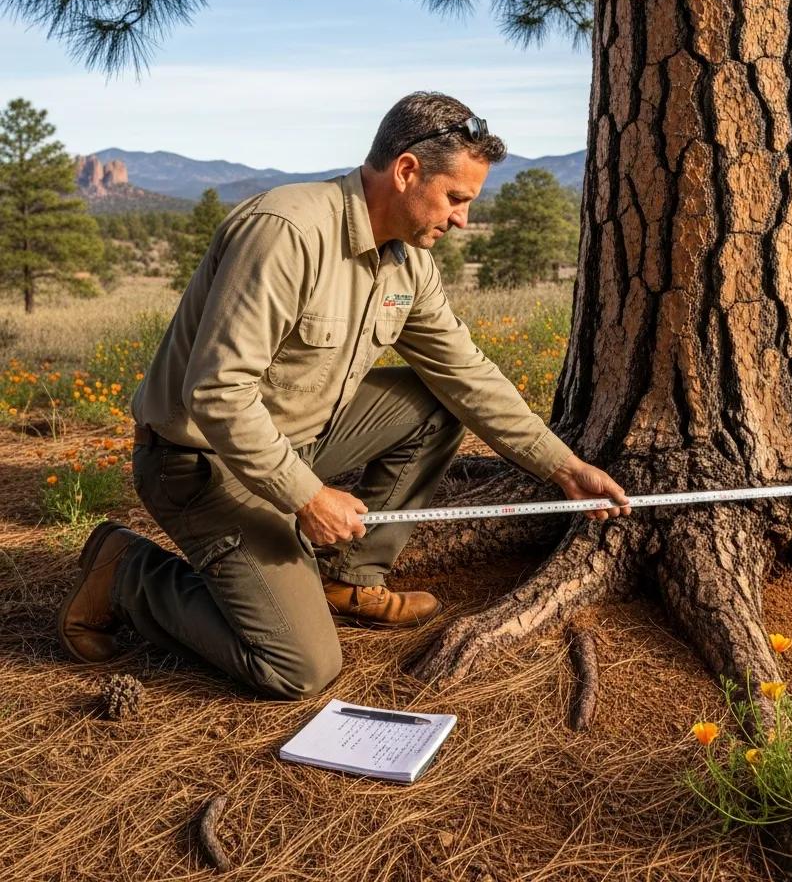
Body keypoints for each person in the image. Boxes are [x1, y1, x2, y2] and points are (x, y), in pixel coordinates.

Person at [56, 91, 630, 700]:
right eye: (456, 198)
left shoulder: (408, 263)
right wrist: (306, 497)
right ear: (407, 170)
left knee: (436, 399)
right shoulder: (287, 233)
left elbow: (467, 373)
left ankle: (344, 575)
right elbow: (217, 393)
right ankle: (126, 574)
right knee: (298, 667)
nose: (462, 219)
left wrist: (562, 467)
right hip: (198, 462)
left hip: (298, 441)